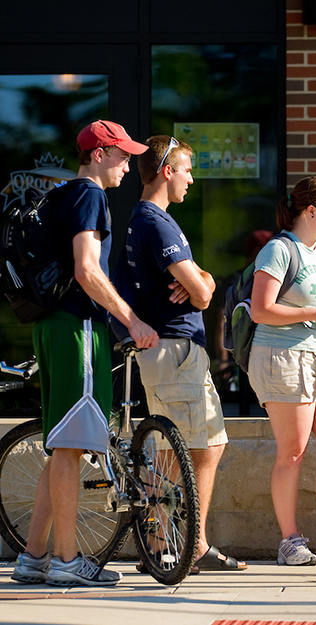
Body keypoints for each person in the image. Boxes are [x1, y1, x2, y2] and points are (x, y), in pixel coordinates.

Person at [11, 120, 159, 586]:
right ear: (99, 154)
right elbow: (87, 270)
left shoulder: (59, 195)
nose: (129, 165)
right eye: (122, 156)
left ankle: (34, 558)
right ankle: (67, 561)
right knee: (72, 448)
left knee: (61, 447)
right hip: (78, 328)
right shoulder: (90, 196)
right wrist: (131, 320)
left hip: (52, 327)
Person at [114, 135, 246, 572]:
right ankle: (192, 545)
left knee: (180, 451)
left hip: (169, 350)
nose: (191, 179)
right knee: (203, 446)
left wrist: (200, 277)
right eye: (187, 170)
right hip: (174, 349)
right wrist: (202, 283)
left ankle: (161, 544)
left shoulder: (143, 219)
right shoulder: (158, 222)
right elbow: (205, 297)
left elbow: (199, 283)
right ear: (167, 171)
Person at [248, 176, 316, 566]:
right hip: (282, 358)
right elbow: (261, 310)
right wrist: (314, 313)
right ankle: (290, 540)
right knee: (292, 452)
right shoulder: (278, 249)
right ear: (311, 210)